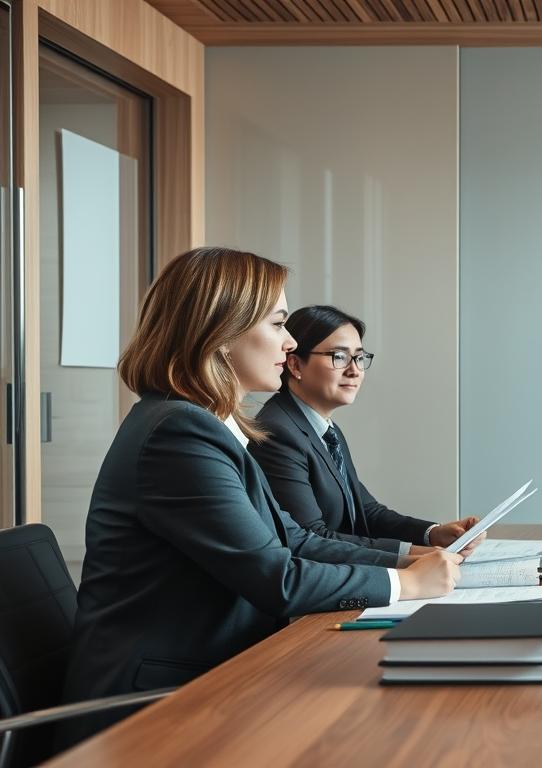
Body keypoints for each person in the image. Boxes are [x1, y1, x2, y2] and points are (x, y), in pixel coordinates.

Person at [61, 248, 461, 744]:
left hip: (218, 669)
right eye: (277, 324)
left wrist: (408, 562)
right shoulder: (178, 433)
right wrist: (407, 586)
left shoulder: (204, 423)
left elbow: (291, 540)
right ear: (221, 332)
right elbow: (279, 578)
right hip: (158, 702)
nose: (290, 342)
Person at [250, 305, 479, 555]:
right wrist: (415, 555)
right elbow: (310, 538)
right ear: (295, 365)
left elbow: (366, 512)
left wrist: (433, 533)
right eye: (339, 356)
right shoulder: (277, 433)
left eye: (359, 357)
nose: (354, 370)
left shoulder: (326, 429)